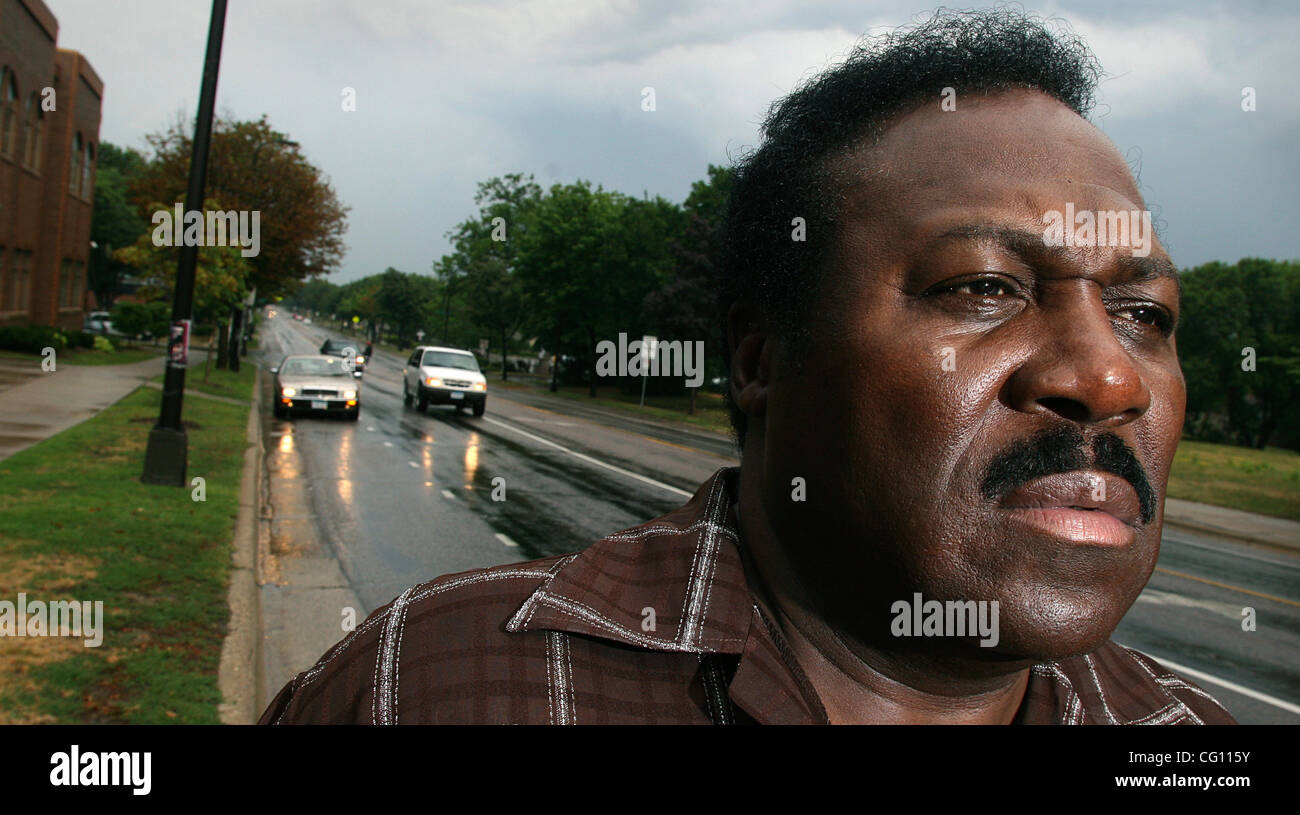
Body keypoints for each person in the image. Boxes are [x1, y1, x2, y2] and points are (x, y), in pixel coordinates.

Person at [260, 9, 1235, 725]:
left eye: (1142, 311)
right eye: (984, 288)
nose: (1108, 378)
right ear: (760, 357)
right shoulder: (437, 687)